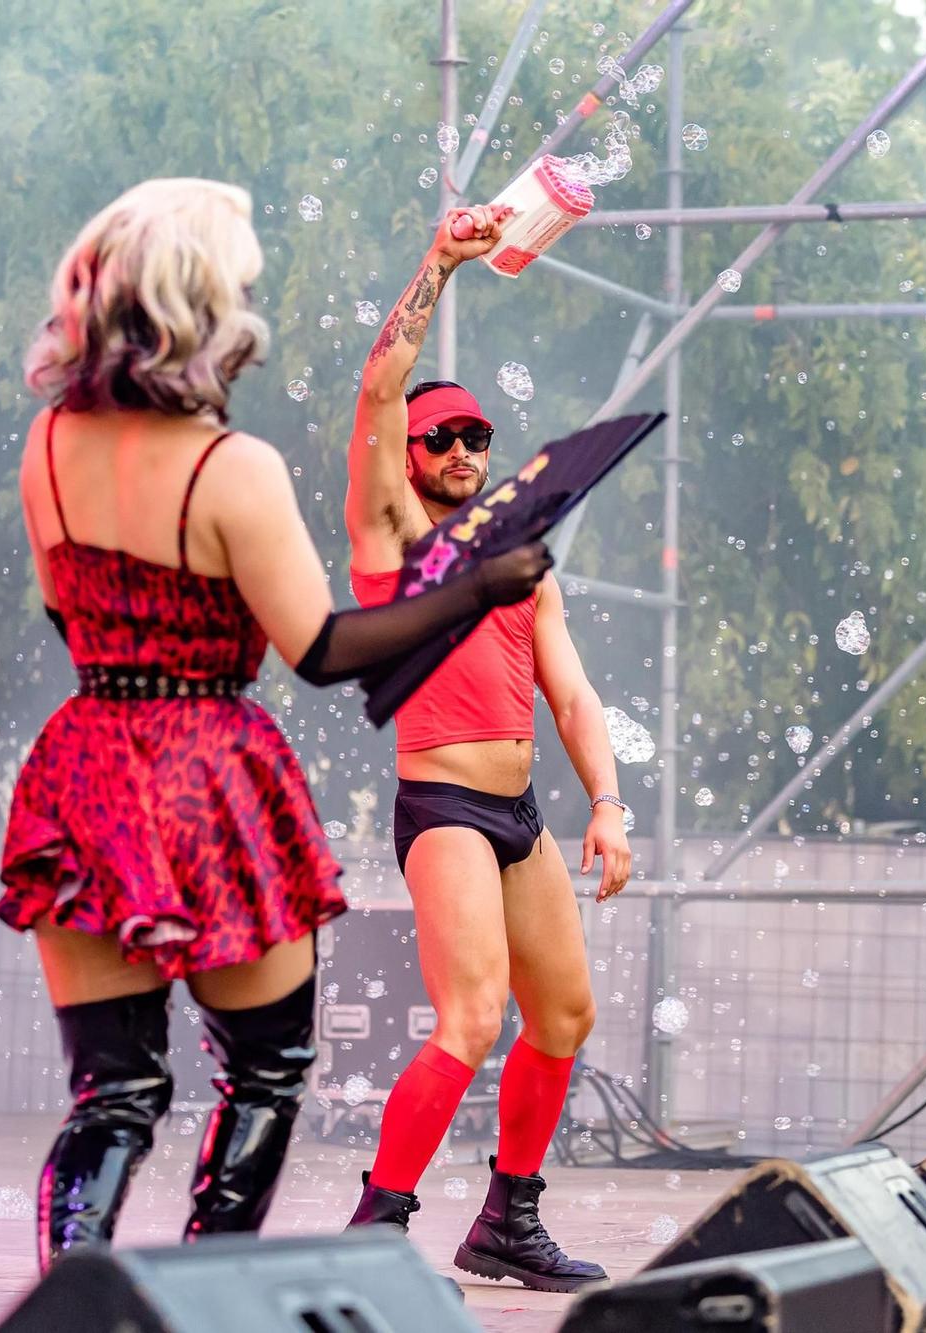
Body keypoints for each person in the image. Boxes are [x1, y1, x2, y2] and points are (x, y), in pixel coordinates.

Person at [0, 178, 551, 1273]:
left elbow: (65, 610)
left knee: (111, 1094)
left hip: (86, 763)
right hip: (207, 775)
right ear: (205, 308)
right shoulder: (231, 468)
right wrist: (480, 587)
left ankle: (75, 1304)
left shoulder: (47, 447)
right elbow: (324, 647)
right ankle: (205, 1299)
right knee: (263, 1068)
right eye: (241, 287)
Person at [339, 203, 633, 1295]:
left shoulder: (519, 553)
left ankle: (506, 1222)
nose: (462, 451)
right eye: (441, 439)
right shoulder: (391, 534)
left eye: (476, 438)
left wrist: (607, 801)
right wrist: (440, 261)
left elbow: (569, 686)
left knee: (562, 1014)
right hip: (443, 806)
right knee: (470, 1017)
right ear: (407, 458)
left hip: (520, 815)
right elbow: (380, 387)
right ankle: (376, 1229)